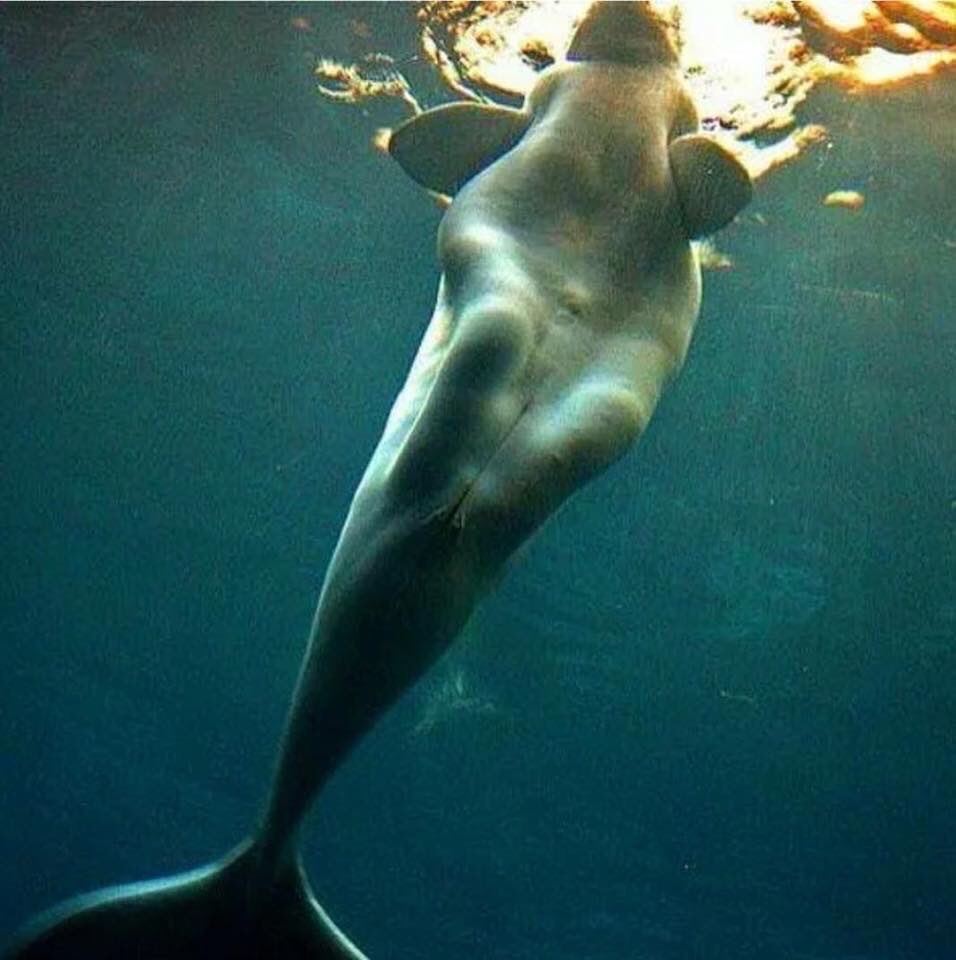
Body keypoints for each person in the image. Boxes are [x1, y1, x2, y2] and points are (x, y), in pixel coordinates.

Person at [5, 4, 751, 958]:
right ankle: (268, 858)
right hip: (572, 306)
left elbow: (432, 150)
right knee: (489, 391)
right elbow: (715, 191)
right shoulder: (610, 118)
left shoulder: (626, 121)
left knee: (517, 454)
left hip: (601, 321)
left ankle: (268, 859)